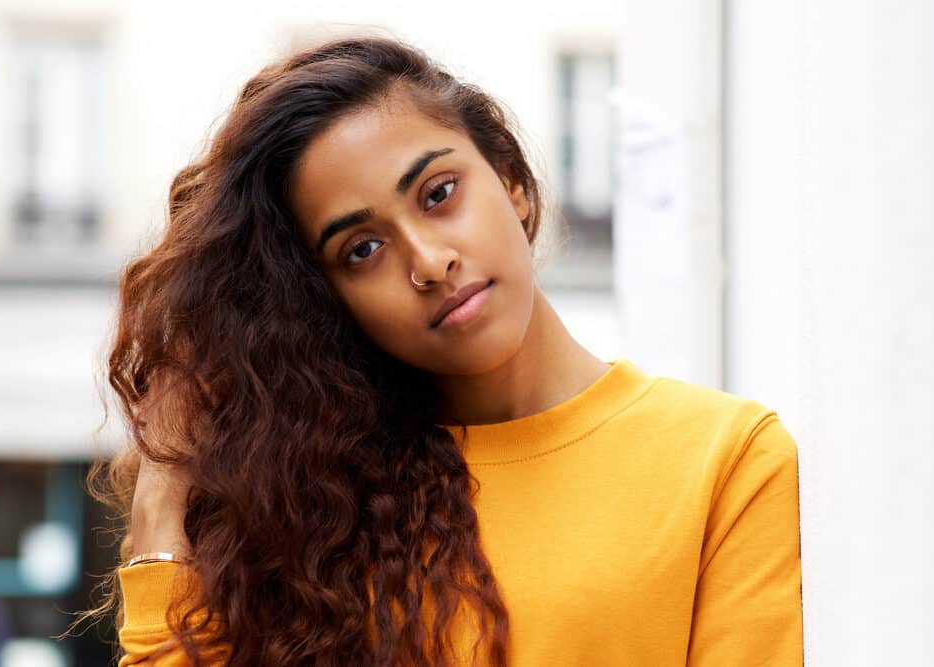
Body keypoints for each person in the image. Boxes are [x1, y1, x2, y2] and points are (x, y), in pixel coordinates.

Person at [82, 35, 803, 666]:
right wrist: (161, 501)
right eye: (362, 248)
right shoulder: (315, 512)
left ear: (513, 182)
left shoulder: (726, 459)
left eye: (437, 193)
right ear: (333, 300)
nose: (427, 261)